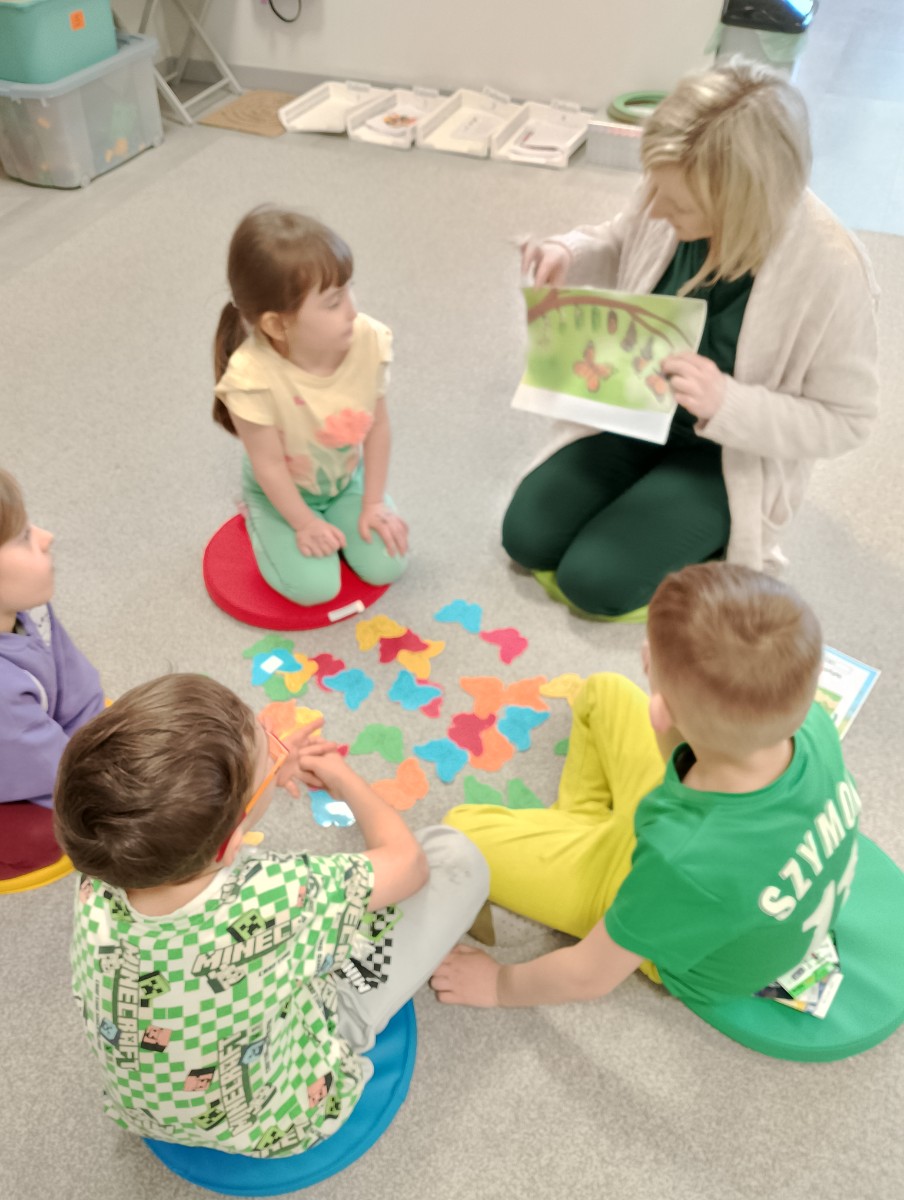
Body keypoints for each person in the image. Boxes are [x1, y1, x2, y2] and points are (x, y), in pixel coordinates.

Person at [504, 59, 879, 619]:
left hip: (725, 454)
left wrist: (728, 403)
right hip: (636, 415)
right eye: (654, 188)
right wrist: (570, 251)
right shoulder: (675, 187)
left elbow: (848, 420)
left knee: (595, 582)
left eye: (678, 205)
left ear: (742, 204)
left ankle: (700, 520)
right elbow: (622, 237)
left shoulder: (831, 272)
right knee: (526, 536)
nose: (656, 208)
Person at [55, 673, 488, 1157]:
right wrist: (343, 777)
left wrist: (253, 781)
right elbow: (408, 865)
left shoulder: (101, 864)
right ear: (231, 844)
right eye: (269, 755)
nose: (276, 753)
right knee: (454, 856)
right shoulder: (279, 894)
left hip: (146, 1113)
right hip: (284, 1117)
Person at [431, 563, 861, 1010]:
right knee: (603, 690)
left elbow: (589, 975)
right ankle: (582, 825)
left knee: (460, 833)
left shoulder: (683, 862)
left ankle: (584, 846)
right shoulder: (813, 726)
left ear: (661, 713)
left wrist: (499, 985)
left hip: (678, 897)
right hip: (711, 828)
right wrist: (669, 709)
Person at [213, 207, 409, 606]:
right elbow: (269, 465)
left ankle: (338, 513)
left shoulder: (368, 339)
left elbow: (378, 427)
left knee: (389, 564)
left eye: (349, 290)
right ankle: (256, 517)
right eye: (333, 302)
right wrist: (303, 523)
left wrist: (373, 502)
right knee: (316, 589)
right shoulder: (251, 377)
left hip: (342, 479)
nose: (352, 309)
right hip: (280, 491)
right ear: (276, 324)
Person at [0, 468, 104, 879]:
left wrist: (99, 732)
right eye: (24, 537)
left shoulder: (24, 605)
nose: (46, 537)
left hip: (24, 749)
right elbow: (44, 769)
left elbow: (74, 678)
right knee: (53, 835)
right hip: (19, 766)